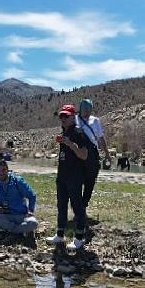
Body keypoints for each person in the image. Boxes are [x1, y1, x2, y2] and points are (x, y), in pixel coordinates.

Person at [47, 104, 90, 251]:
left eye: (66, 116)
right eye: (61, 116)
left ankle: (79, 238)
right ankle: (60, 235)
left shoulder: (79, 133)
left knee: (77, 208)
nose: (63, 119)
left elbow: (84, 155)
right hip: (62, 176)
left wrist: (70, 144)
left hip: (75, 177)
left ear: (73, 117)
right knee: (61, 206)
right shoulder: (64, 132)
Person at [75, 99, 110, 212]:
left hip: (92, 153)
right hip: (78, 153)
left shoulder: (95, 121)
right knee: (77, 180)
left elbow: (101, 137)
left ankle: (84, 205)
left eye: (89, 110)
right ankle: (78, 207)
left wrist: (107, 154)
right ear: (81, 109)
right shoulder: (74, 119)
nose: (87, 112)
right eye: (85, 109)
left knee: (90, 180)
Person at [0, 159, 38, 237]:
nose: (1, 173)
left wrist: (30, 210)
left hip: (22, 215)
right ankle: (20, 230)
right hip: (7, 216)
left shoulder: (18, 181)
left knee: (33, 223)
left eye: (3, 170)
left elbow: (32, 195)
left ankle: (11, 230)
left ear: (7, 170)